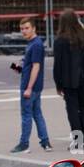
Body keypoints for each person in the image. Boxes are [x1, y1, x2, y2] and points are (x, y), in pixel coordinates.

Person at [53, 9, 84, 151]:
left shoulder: (60, 40)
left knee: (72, 111)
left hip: (68, 81)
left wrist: (58, 84)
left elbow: (58, 65)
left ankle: (78, 142)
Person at [9, 18, 51, 154]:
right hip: (34, 85)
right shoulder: (32, 44)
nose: (24, 31)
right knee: (37, 113)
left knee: (26, 115)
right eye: (22, 29)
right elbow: (29, 65)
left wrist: (28, 88)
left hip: (30, 86)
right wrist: (19, 68)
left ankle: (24, 144)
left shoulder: (36, 44)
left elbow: (36, 67)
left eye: (26, 28)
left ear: (34, 28)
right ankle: (45, 142)